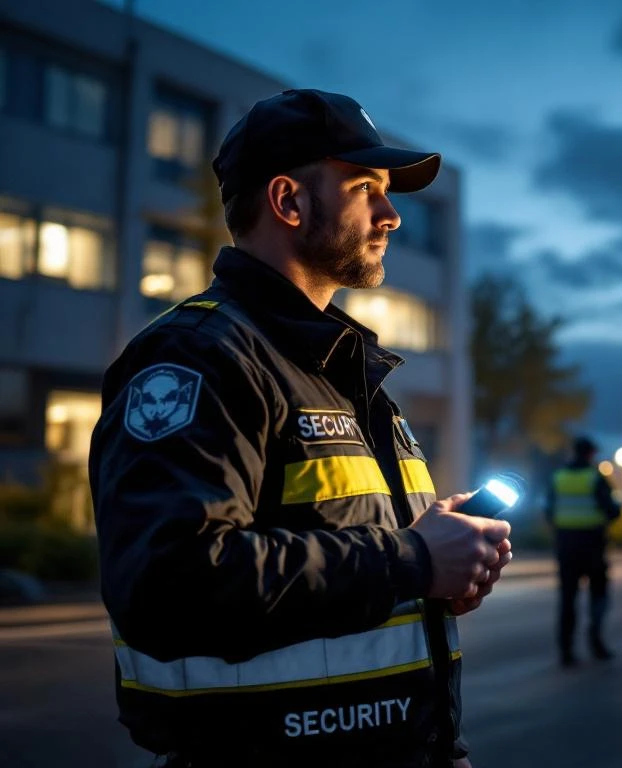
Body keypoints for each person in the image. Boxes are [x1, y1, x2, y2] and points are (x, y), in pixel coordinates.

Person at [89, 89, 513, 768]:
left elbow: (358, 566)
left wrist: (437, 563)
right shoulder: (198, 357)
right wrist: (413, 559)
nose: (392, 215)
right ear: (288, 202)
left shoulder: (343, 372)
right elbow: (166, 583)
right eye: (366, 188)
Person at [545, 436, 622, 667]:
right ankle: (596, 642)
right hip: (593, 547)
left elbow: (549, 510)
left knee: (568, 599)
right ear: (590, 454)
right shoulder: (595, 478)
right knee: (598, 596)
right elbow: (612, 510)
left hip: (566, 547)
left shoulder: (558, 477)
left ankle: (566, 650)